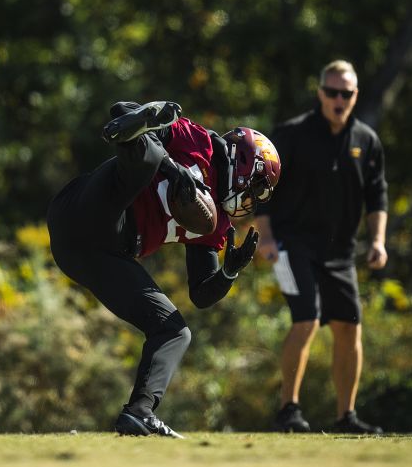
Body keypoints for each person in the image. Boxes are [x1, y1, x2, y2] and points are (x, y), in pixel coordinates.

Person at [46, 101, 280, 438]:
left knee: (174, 331)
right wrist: (173, 169)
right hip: (86, 207)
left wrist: (229, 272)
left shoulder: (216, 224)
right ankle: (132, 138)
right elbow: (120, 107)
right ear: (245, 163)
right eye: (255, 187)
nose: (250, 199)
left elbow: (200, 293)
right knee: (149, 158)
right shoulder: (199, 142)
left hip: (93, 253)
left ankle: (140, 412)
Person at [253, 60, 389, 434]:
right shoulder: (292, 134)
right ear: (320, 94)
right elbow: (264, 188)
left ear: (355, 96)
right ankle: (288, 410)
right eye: (332, 92)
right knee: (306, 319)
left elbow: (378, 197)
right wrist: (264, 237)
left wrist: (377, 241)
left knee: (349, 328)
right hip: (289, 245)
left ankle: (346, 416)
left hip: (340, 253)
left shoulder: (366, 141)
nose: (339, 99)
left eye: (346, 93)